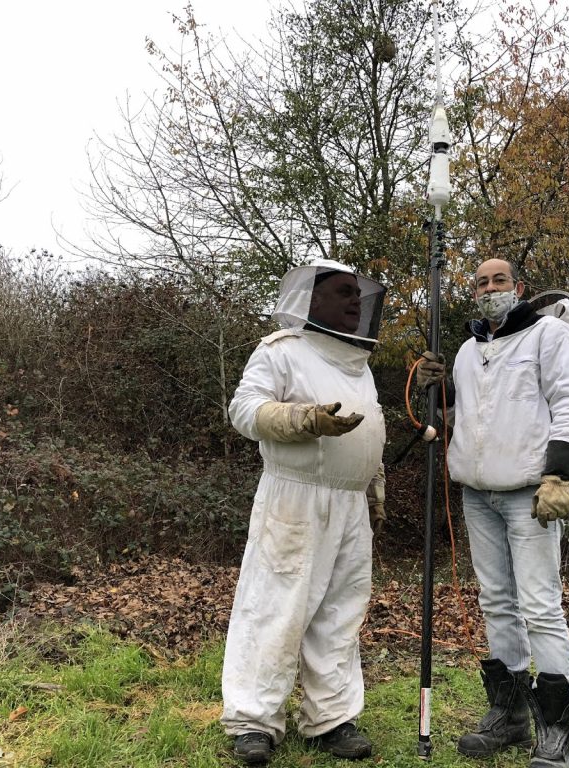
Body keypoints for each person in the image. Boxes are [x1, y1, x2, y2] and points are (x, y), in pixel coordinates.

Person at [417, 258, 569, 768]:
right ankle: (510, 716)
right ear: (473, 292)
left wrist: (560, 474)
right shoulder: (469, 350)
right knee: (496, 601)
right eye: (481, 282)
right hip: (477, 494)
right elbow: (462, 414)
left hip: (528, 494)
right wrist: (439, 389)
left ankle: (556, 729)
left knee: (539, 604)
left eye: (499, 281)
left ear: (519, 288)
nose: (490, 288)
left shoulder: (548, 336)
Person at [221, 258, 388, 765]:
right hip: (294, 499)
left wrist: (373, 485)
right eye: (342, 293)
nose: (354, 302)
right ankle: (253, 722)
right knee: (274, 605)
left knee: (340, 613)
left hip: (350, 505)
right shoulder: (281, 352)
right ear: (310, 300)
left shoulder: (359, 365)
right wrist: (301, 418)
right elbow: (245, 410)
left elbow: (369, 432)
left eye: (357, 296)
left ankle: (331, 719)